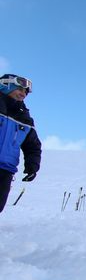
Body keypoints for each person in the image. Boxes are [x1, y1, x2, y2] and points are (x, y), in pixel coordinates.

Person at [0, 74, 42, 213]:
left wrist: (32, 166)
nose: (23, 93)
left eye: (26, 92)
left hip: (6, 170)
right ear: (6, 85)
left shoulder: (25, 118)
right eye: (20, 89)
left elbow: (33, 146)